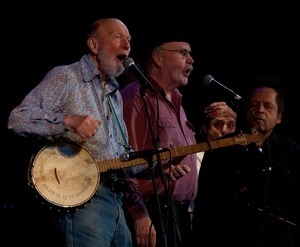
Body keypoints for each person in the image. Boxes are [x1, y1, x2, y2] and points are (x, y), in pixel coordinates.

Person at [7, 18, 136, 247]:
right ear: (94, 45)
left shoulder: (115, 93)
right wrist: (66, 120)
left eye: (128, 39)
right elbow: (18, 118)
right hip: (85, 199)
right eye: (118, 37)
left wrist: (158, 164)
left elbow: (120, 155)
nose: (127, 44)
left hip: (117, 198)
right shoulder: (67, 76)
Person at [192, 75, 300, 247]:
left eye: (268, 106)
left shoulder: (292, 151)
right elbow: (205, 206)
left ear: (279, 116)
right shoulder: (223, 148)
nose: (260, 110)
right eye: (254, 105)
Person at [121, 23, 197, 247]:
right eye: (183, 53)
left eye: (190, 54)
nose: (191, 60)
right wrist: (139, 214)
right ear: (158, 57)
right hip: (152, 214)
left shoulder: (177, 103)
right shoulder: (135, 99)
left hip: (179, 216)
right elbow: (124, 164)